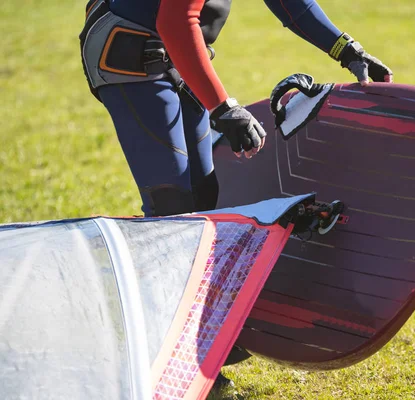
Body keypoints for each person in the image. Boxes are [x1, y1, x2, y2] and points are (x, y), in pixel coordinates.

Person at [80, 0, 393, 389]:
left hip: (172, 55)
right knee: (172, 209)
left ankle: (196, 335)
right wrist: (222, 107)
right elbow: (175, 20)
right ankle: (162, 366)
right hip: (127, 54)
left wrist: (348, 50)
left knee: (203, 196)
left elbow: (291, 4)